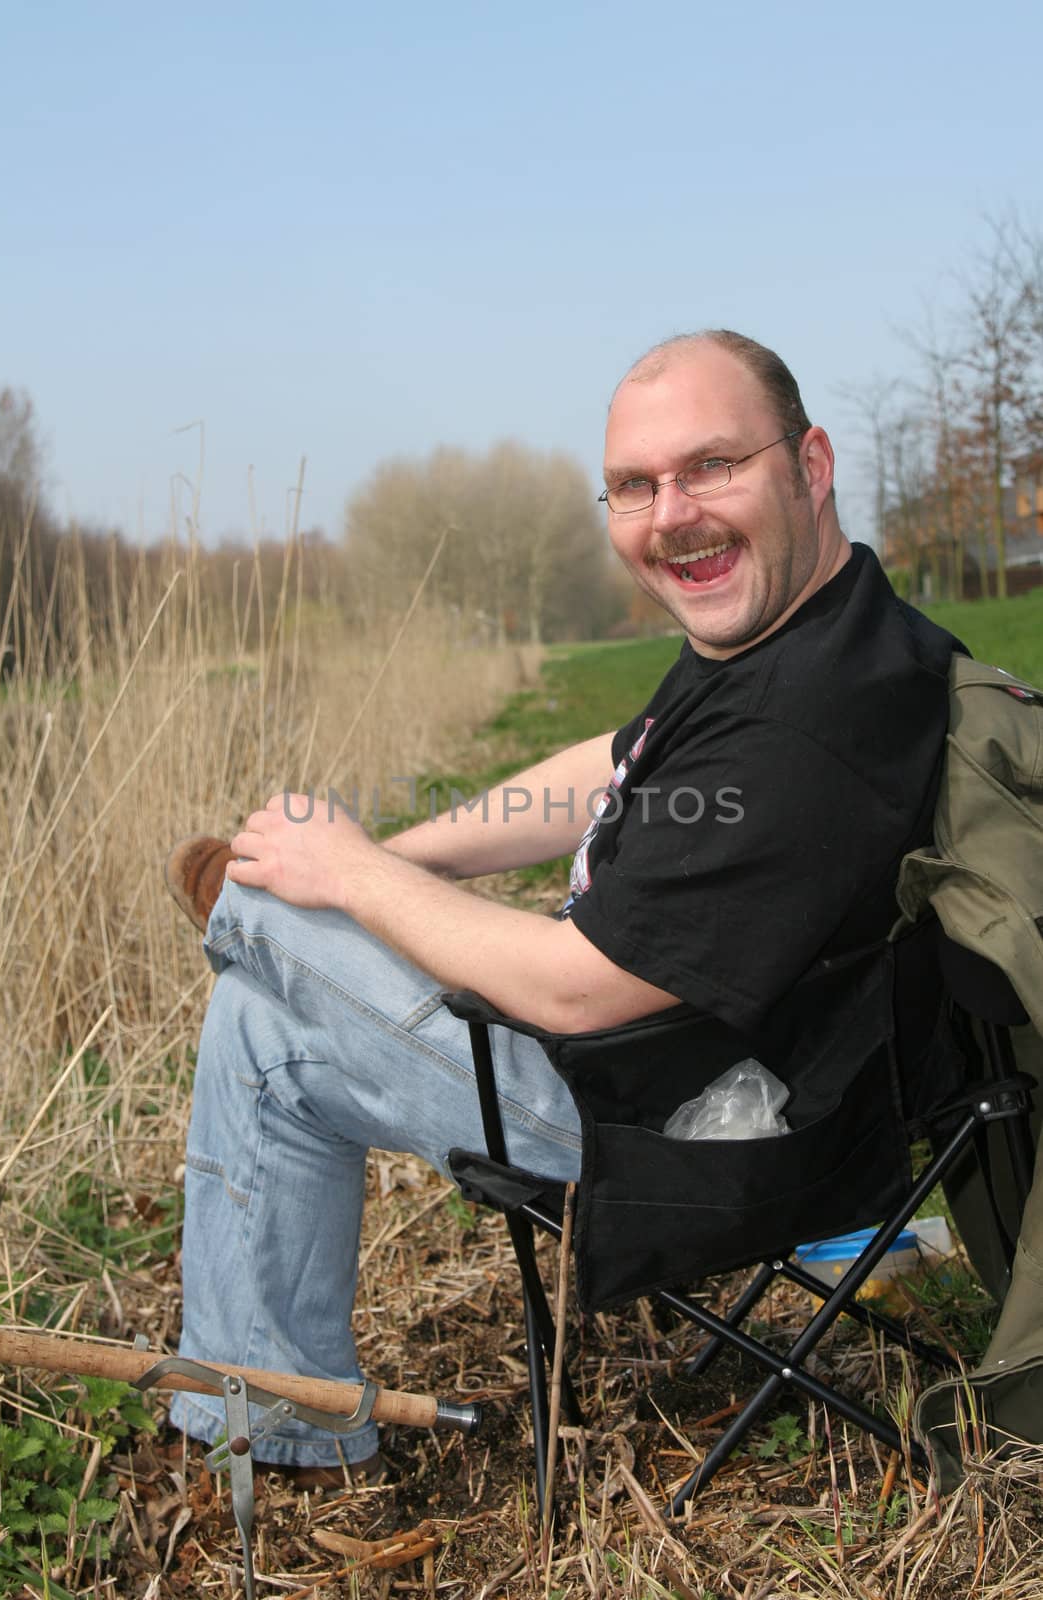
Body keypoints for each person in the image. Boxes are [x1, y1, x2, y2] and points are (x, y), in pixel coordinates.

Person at [166, 329, 958, 1479]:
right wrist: (404, 855)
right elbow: (615, 763)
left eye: (711, 465)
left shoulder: (802, 729)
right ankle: (277, 1422)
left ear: (810, 463)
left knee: (280, 923)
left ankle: (244, 918)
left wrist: (345, 875)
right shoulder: (817, 629)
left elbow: (574, 990)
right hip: (688, 1064)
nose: (669, 513)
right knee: (259, 1030)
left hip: (668, 1130)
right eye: (635, 485)